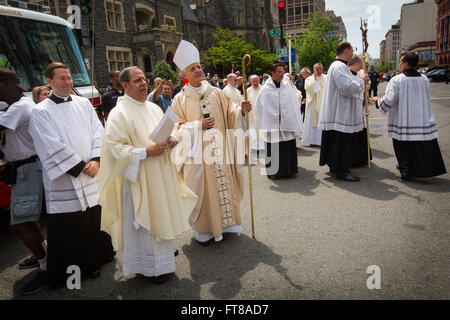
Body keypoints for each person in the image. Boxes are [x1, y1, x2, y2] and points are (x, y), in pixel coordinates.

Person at [98, 67, 197, 283]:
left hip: (159, 175)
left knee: (161, 213)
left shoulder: (153, 108)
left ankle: (163, 265)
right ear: (124, 86)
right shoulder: (119, 113)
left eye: (144, 79)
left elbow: (164, 133)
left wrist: (170, 140)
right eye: (137, 81)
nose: (143, 84)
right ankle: (147, 268)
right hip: (138, 178)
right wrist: (145, 152)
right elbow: (114, 149)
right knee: (144, 223)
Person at [28, 62, 115, 289]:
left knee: (93, 219)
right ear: (49, 81)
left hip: (91, 172)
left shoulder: (83, 103)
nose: (68, 82)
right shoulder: (40, 111)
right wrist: (79, 167)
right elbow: (48, 145)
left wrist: (96, 160)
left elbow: (98, 130)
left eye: (69, 78)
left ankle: (100, 257)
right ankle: (78, 270)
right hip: (66, 178)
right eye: (62, 79)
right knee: (71, 227)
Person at [170, 40, 252, 245]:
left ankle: (228, 225)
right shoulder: (179, 100)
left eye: (198, 66)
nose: (198, 70)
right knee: (203, 191)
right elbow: (174, 130)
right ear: (184, 75)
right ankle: (206, 231)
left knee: (224, 186)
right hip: (198, 159)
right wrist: (196, 125)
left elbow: (230, 114)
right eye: (192, 68)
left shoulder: (216, 92)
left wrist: (241, 110)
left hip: (221, 152)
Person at [0, 68, 47, 295]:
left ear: (7, 85)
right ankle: (44, 254)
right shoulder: (19, 105)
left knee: (18, 223)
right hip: (23, 169)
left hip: (27, 168)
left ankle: (46, 267)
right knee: (27, 219)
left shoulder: (19, 107)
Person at [372, 53, 446, 180]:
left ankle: (406, 170)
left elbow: (389, 100)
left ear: (406, 64)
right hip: (421, 118)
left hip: (404, 119)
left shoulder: (397, 80)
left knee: (403, 147)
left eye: (400, 62)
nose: (399, 65)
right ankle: (424, 170)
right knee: (421, 147)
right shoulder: (424, 79)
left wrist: (378, 101)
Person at [318, 42, 369, 182]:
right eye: (351, 52)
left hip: (338, 111)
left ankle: (336, 167)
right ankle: (343, 171)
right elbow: (346, 87)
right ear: (346, 51)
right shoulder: (339, 66)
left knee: (337, 142)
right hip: (340, 113)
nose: (352, 56)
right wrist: (362, 81)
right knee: (342, 143)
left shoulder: (339, 67)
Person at [255, 61, 303, 180]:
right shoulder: (266, 89)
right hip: (272, 123)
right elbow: (260, 107)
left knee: (288, 146)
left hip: (287, 122)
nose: (282, 74)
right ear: (272, 73)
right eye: (280, 72)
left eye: (283, 71)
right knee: (274, 148)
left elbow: (293, 101)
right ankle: (274, 172)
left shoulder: (287, 85)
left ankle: (290, 170)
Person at [348, 55, 371, 167]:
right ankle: (354, 159)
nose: (361, 65)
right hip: (351, 109)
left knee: (361, 132)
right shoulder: (348, 74)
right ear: (356, 62)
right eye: (360, 63)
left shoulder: (359, 73)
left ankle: (363, 157)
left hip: (359, 107)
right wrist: (363, 83)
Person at [303, 63, 326, 147]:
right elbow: (310, 90)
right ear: (314, 70)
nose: (319, 71)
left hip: (323, 104)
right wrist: (315, 79)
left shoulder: (326, 78)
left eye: (320, 69)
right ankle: (312, 140)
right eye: (317, 69)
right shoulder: (309, 79)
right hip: (312, 104)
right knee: (312, 122)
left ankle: (322, 140)